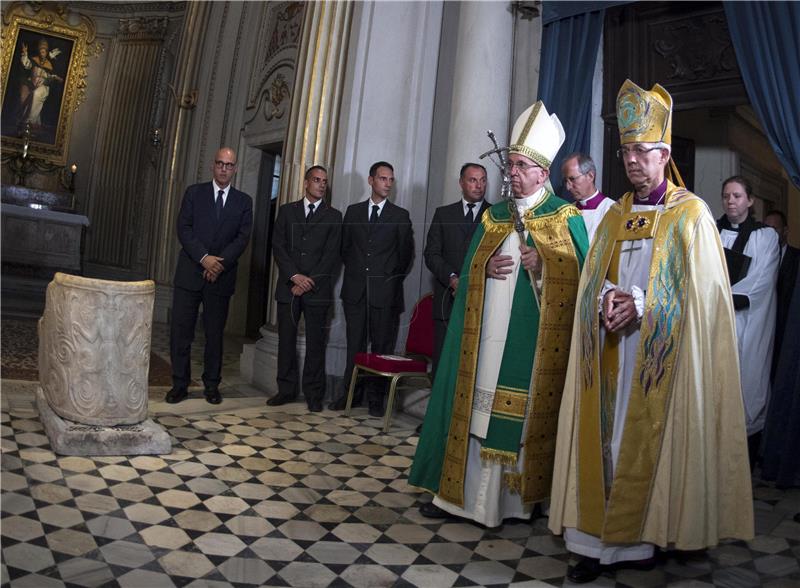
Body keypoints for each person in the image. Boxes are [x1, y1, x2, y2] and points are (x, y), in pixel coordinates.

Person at [548, 80, 753, 584]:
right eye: (626, 151)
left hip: (662, 359)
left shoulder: (691, 216)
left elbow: (705, 299)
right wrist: (606, 299)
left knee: (649, 445)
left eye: (642, 151)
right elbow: (595, 276)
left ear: (664, 154)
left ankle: (654, 535)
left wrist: (643, 306)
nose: (633, 160)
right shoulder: (615, 215)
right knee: (604, 444)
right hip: (612, 352)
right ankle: (593, 544)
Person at [409, 101, 588, 527]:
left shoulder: (565, 217)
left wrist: (545, 267)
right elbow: (470, 269)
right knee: (474, 413)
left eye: (522, 166)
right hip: (485, 340)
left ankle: (515, 502)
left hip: (530, 348)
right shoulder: (494, 217)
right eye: (510, 165)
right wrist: (482, 269)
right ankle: (459, 498)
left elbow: (582, 281)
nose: (513, 173)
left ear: (544, 173)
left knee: (518, 422)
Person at [166, 147, 253, 405]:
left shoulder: (243, 201)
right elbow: (184, 228)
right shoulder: (194, 193)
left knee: (214, 335)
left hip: (221, 277)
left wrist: (218, 265)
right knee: (181, 333)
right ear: (213, 166)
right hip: (190, 274)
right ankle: (180, 384)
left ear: (235, 169)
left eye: (229, 165)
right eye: (220, 163)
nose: (224, 168)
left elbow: (242, 238)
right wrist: (205, 258)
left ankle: (212, 386)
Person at [328, 162, 414, 417]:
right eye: (383, 178)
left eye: (391, 179)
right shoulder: (352, 213)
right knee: (354, 346)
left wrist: (385, 281)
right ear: (371, 180)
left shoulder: (400, 215)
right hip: (355, 293)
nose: (387, 183)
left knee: (381, 349)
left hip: (385, 296)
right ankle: (350, 395)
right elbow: (344, 249)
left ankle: (377, 401)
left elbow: (405, 257)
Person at [716, 176, 779, 467]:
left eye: (738, 196)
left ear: (750, 201)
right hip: (715, 320)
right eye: (727, 196)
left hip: (749, 320)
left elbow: (762, 279)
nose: (731, 201)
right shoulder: (712, 231)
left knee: (748, 377)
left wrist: (722, 297)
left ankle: (746, 458)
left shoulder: (765, 237)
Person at [269, 166, 342, 412]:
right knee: (286, 341)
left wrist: (308, 281)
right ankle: (286, 390)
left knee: (316, 344)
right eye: (317, 180)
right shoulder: (287, 211)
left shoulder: (334, 216)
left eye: (325, 181)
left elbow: (332, 256)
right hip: (288, 288)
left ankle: (314, 394)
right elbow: (278, 246)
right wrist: (294, 277)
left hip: (317, 290)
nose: (321, 185)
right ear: (306, 182)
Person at [423, 163, 490, 375]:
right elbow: (431, 254)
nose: (478, 186)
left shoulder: (496, 215)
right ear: (461, 183)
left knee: (474, 367)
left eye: (482, 180)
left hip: (483, 302)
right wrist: (452, 278)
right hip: (447, 301)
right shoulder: (443, 214)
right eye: (473, 180)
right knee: (443, 365)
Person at [763, 210, 799, 380]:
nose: (770, 235)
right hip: (762, 333)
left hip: (787, 336)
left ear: (785, 231)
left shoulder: (797, 259)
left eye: (774, 230)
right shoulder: (757, 259)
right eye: (766, 230)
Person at [561, 153, 613, 242]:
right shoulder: (567, 212)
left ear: (590, 176)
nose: (568, 187)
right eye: (566, 181)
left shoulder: (611, 210)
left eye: (572, 179)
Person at [18, 38, 63, 129]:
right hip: (32, 85)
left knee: (36, 94)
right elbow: (26, 64)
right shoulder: (34, 60)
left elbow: (53, 78)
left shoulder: (49, 64)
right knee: (27, 97)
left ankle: (29, 122)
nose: (42, 54)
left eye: (44, 52)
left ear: (46, 53)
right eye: (41, 51)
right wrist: (25, 54)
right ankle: (34, 124)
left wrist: (47, 80)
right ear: (39, 52)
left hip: (44, 87)